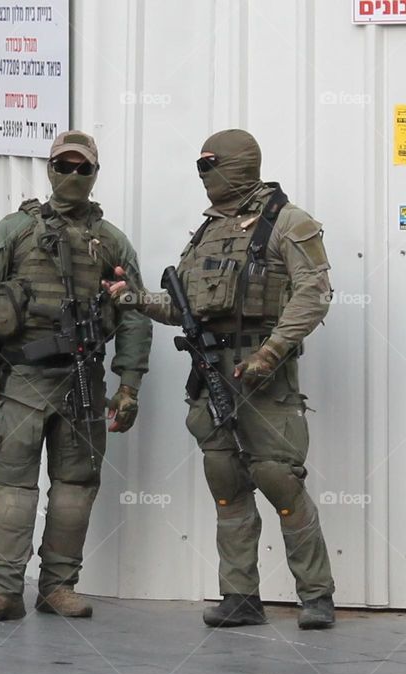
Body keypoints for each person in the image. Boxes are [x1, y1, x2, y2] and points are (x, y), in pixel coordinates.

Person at [105, 129, 335, 629]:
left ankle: (316, 597)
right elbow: (186, 310)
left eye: (211, 163)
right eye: (199, 165)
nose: (205, 174)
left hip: (265, 380)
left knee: (280, 481)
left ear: (239, 163)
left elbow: (314, 295)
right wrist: (134, 297)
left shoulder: (288, 223)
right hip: (211, 376)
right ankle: (240, 596)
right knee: (226, 483)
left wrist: (271, 353)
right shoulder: (207, 232)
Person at [0, 131, 152, 622]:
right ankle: (2, 589)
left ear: (94, 174)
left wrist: (129, 384)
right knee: (14, 489)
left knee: (75, 487)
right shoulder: (16, 230)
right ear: (49, 170)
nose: (72, 176)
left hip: (82, 382)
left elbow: (133, 314)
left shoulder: (111, 242)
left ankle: (58, 586)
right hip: (22, 376)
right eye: (63, 166)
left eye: (82, 168)